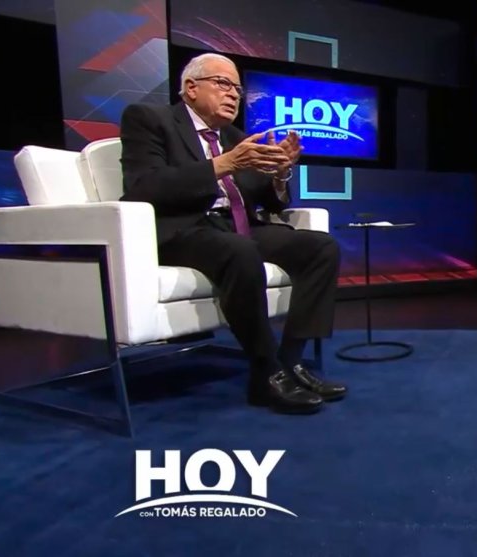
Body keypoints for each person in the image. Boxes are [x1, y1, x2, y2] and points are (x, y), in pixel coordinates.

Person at [119, 52, 346, 415]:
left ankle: (292, 362)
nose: (233, 95)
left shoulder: (236, 137)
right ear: (191, 88)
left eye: (238, 90)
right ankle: (266, 373)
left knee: (320, 247)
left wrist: (280, 173)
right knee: (239, 250)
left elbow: (269, 200)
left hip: (237, 226)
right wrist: (224, 163)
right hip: (183, 228)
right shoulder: (149, 119)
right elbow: (143, 186)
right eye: (223, 84)